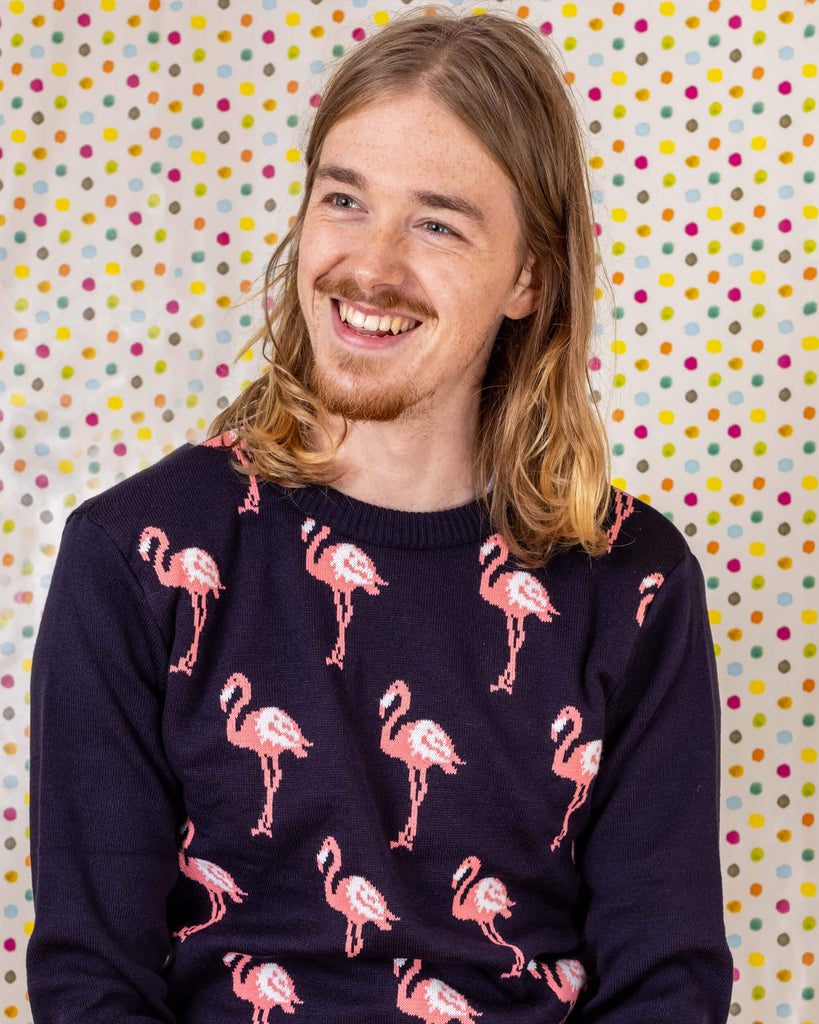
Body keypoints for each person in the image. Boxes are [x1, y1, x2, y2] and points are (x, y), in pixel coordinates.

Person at [27, 9, 733, 1023]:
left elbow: (665, 984)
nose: (370, 266)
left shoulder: (633, 580)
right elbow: (92, 981)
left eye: (438, 223)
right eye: (345, 199)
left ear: (529, 276)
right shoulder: (137, 557)